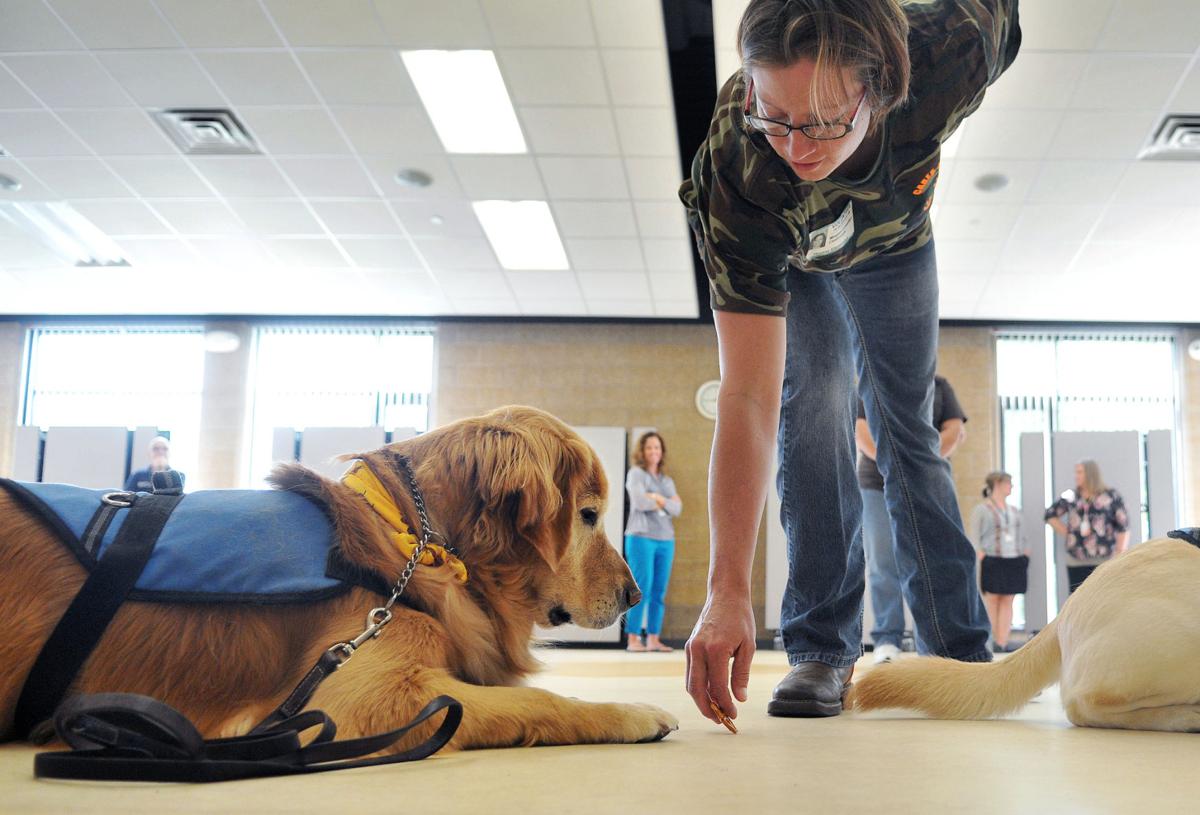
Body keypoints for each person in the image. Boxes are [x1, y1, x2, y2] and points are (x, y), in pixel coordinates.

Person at [680, 0, 1019, 723]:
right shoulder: (740, 170)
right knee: (815, 405)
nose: (798, 147)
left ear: (882, 84)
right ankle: (821, 647)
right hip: (793, 260)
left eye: (826, 120)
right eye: (775, 115)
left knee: (907, 427)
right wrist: (727, 588)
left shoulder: (950, 54)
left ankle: (956, 651)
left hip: (895, 249)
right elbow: (745, 398)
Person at [857, 375, 967, 663]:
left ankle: (930, 642)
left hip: (929, 482)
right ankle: (886, 639)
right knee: (882, 563)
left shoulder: (942, 386)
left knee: (930, 562)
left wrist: (920, 463)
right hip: (875, 483)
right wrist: (894, 464)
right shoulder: (868, 382)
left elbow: (954, 430)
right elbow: (861, 431)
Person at [624, 432, 683, 652]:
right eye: (649, 448)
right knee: (642, 589)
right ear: (642, 451)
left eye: (657, 447)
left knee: (659, 591)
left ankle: (653, 639)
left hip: (665, 540)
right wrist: (665, 500)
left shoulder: (666, 480)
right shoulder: (636, 474)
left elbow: (678, 508)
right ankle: (633, 639)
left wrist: (656, 498)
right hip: (640, 538)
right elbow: (639, 502)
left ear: (662, 452)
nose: (653, 452)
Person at [1044, 460, 1128, 594]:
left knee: (1103, 598)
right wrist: (1068, 533)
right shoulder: (1070, 495)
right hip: (1077, 560)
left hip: (1104, 560)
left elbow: (1123, 524)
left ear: (1090, 473)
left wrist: (1120, 551)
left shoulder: (1111, 495)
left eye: (1079, 472)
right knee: (1078, 600)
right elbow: (1049, 514)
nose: (1076, 476)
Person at [969, 471, 1028, 652]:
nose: (1010, 487)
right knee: (992, 600)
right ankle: (989, 642)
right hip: (992, 559)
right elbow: (974, 534)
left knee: (1008, 600)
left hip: (1013, 559)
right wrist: (979, 553)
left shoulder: (1014, 511)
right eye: (1008, 483)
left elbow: (1021, 535)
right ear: (996, 483)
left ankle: (1002, 642)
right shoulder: (982, 509)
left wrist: (1025, 552)